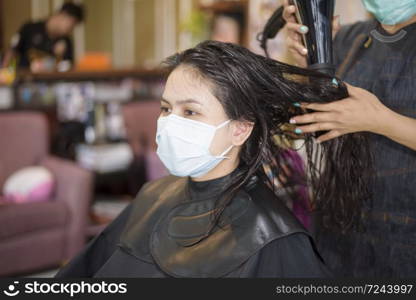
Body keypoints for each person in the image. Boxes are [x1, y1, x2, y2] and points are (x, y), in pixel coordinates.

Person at [55, 40, 369, 278]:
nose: (169, 123)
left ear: (240, 130)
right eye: (166, 109)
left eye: (190, 112)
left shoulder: (273, 239)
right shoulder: (152, 195)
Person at [282, 0, 416, 277]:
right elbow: (321, 114)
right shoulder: (347, 39)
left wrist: (382, 121)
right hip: (339, 236)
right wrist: (312, 56)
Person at [1, 2, 84, 72]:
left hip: (49, 85)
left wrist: (59, 57)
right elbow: (12, 51)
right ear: (63, 15)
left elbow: (68, 67)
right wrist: (5, 72)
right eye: (71, 25)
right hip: (23, 80)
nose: (70, 30)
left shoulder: (66, 41)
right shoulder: (30, 28)